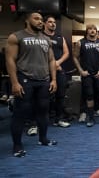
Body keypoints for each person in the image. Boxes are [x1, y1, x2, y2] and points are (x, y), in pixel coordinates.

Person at [5, 12, 58, 157]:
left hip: (43, 80)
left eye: (41, 19)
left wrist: (53, 79)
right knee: (20, 113)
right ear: (27, 20)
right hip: (25, 79)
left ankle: (43, 139)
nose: (40, 22)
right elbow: (10, 60)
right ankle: (17, 145)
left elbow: (51, 60)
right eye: (36, 19)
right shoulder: (16, 37)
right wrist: (15, 82)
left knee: (43, 111)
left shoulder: (46, 39)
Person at [43, 15, 71, 128]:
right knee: (42, 97)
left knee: (60, 96)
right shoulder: (40, 37)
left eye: (54, 22)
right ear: (45, 23)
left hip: (59, 70)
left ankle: (58, 119)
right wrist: (50, 65)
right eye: (50, 22)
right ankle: (39, 121)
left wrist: (57, 63)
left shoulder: (60, 38)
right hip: (43, 72)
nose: (53, 24)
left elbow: (66, 53)